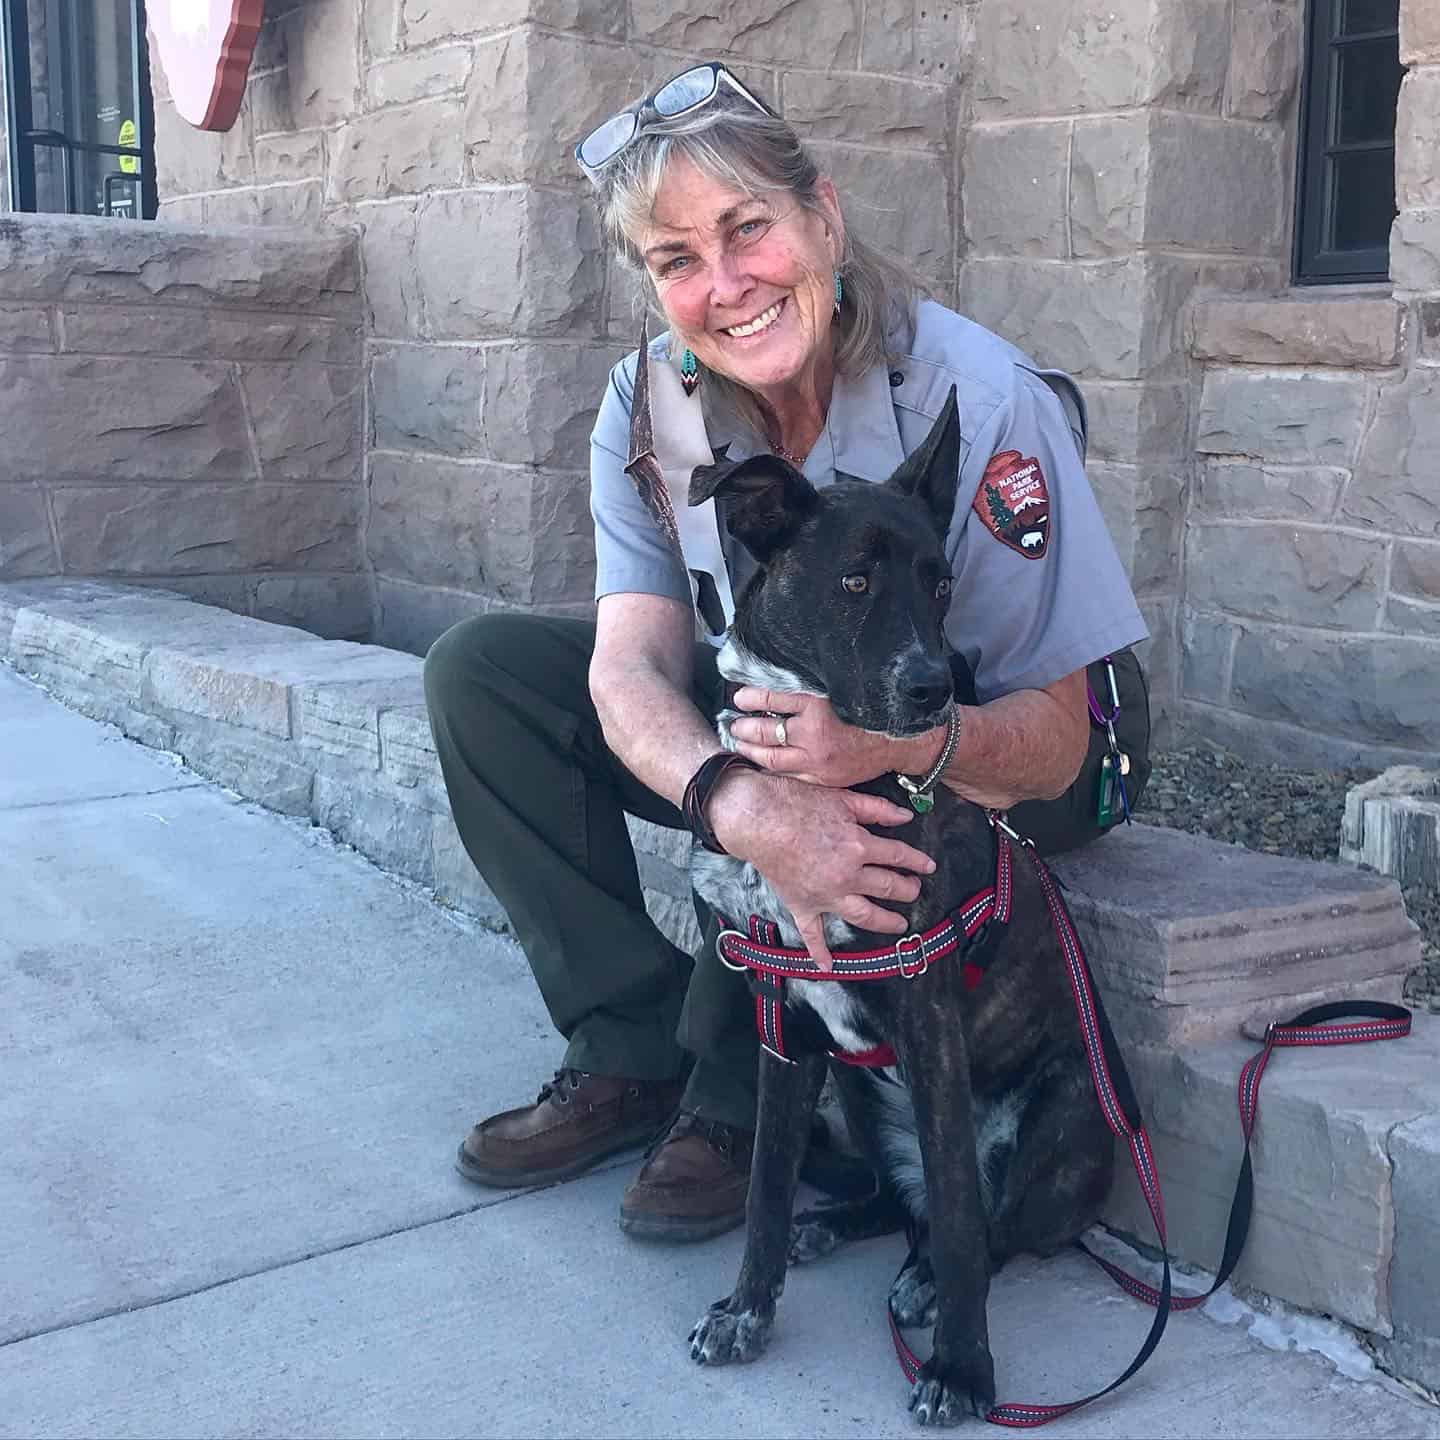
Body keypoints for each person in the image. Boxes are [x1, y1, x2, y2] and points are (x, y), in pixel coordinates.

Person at [423, 62, 1149, 1243]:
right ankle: (630, 1046)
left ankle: (732, 1100)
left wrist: (868, 747)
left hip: (1011, 746)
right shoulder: (647, 403)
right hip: (799, 720)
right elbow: (630, 669)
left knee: (811, 744)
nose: (726, 287)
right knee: (485, 676)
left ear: (823, 215)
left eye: (747, 228)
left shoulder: (979, 397)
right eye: (676, 261)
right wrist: (734, 801)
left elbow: (1057, 742)